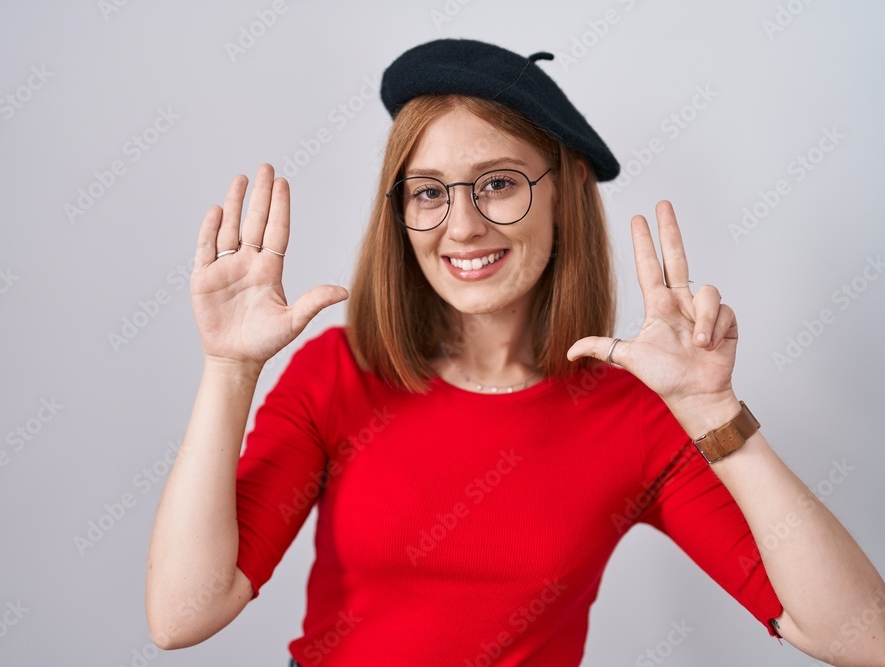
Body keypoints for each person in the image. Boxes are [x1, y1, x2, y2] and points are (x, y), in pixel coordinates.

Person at [145, 39, 885, 666]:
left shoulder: (636, 413)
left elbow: (861, 636)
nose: (461, 226)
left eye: (498, 184)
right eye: (428, 192)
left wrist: (715, 412)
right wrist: (230, 367)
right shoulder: (337, 373)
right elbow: (183, 614)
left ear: (562, 196)